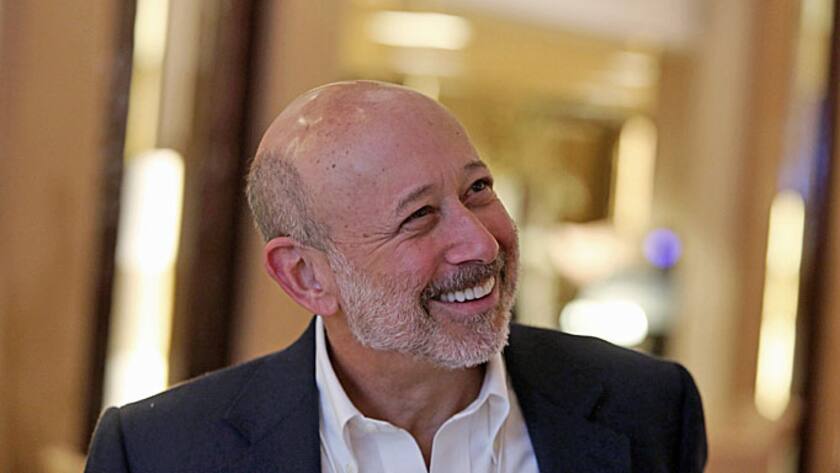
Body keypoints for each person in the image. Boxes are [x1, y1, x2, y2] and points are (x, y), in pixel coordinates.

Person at [85, 81, 707, 473]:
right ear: (305, 276)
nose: (481, 240)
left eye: (478, 189)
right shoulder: (157, 452)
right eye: (419, 217)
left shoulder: (647, 407)